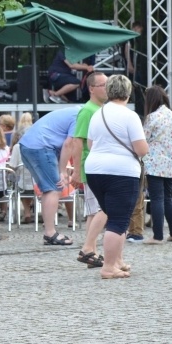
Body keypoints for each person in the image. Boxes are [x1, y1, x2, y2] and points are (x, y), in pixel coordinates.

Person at [84, 75, 148, 279]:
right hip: (121, 171)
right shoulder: (130, 116)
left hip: (94, 170)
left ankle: (117, 260)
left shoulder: (98, 114)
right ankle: (109, 267)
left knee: (112, 215)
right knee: (119, 220)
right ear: (128, 93)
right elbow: (141, 149)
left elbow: (90, 145)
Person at [18, 105, 80, 245]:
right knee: (53, 189)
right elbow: (69, 144)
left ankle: (49, 232)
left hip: (29, 145)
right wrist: (63, 171)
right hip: (41, 146)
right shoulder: (84, 116)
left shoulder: (76, 111)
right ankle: (50, 233)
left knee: (49, 188)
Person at [69, 72, 109, 268]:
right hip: (91, 166)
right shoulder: (87, 111)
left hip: (96, 166)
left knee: (94, 212)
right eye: (103, 85)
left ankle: (92, 252)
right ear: (91, 88)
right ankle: (89, 250)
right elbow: (77, 141)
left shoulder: (100, 109)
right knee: (99, 210)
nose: (107, 88)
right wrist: (77, 171)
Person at [141, 85, 172, 244]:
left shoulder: (152, 118)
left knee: (157, 199)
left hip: (154, 164)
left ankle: (157, 236)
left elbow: (143, 139)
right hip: (171, 163)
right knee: (167, 198)